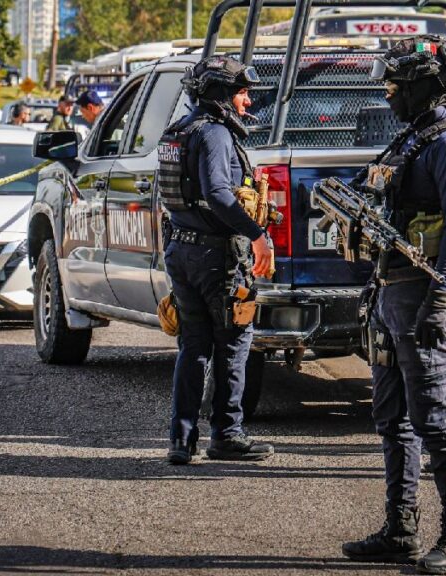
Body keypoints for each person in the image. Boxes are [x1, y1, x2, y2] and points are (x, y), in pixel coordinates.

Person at [341, 36, 446, 574]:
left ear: (424, 83)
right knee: (392, 417)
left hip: (428, 296)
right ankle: (401, 528)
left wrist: (442, 298)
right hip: (391, 294)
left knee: (436, 417)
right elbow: (373, 191)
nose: (388, 91)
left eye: (397, 82)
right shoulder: (412, 140)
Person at [159, 56, 275, 465]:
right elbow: (219, 194)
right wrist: (259, 236)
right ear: (222, 96)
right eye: (242, 93)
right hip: (216, 258)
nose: (247, 101)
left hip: (182, 251)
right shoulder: (214, 135)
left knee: (193, 346)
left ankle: (182, 440)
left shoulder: (178, 131)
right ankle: (226, 434)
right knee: (234, 343)